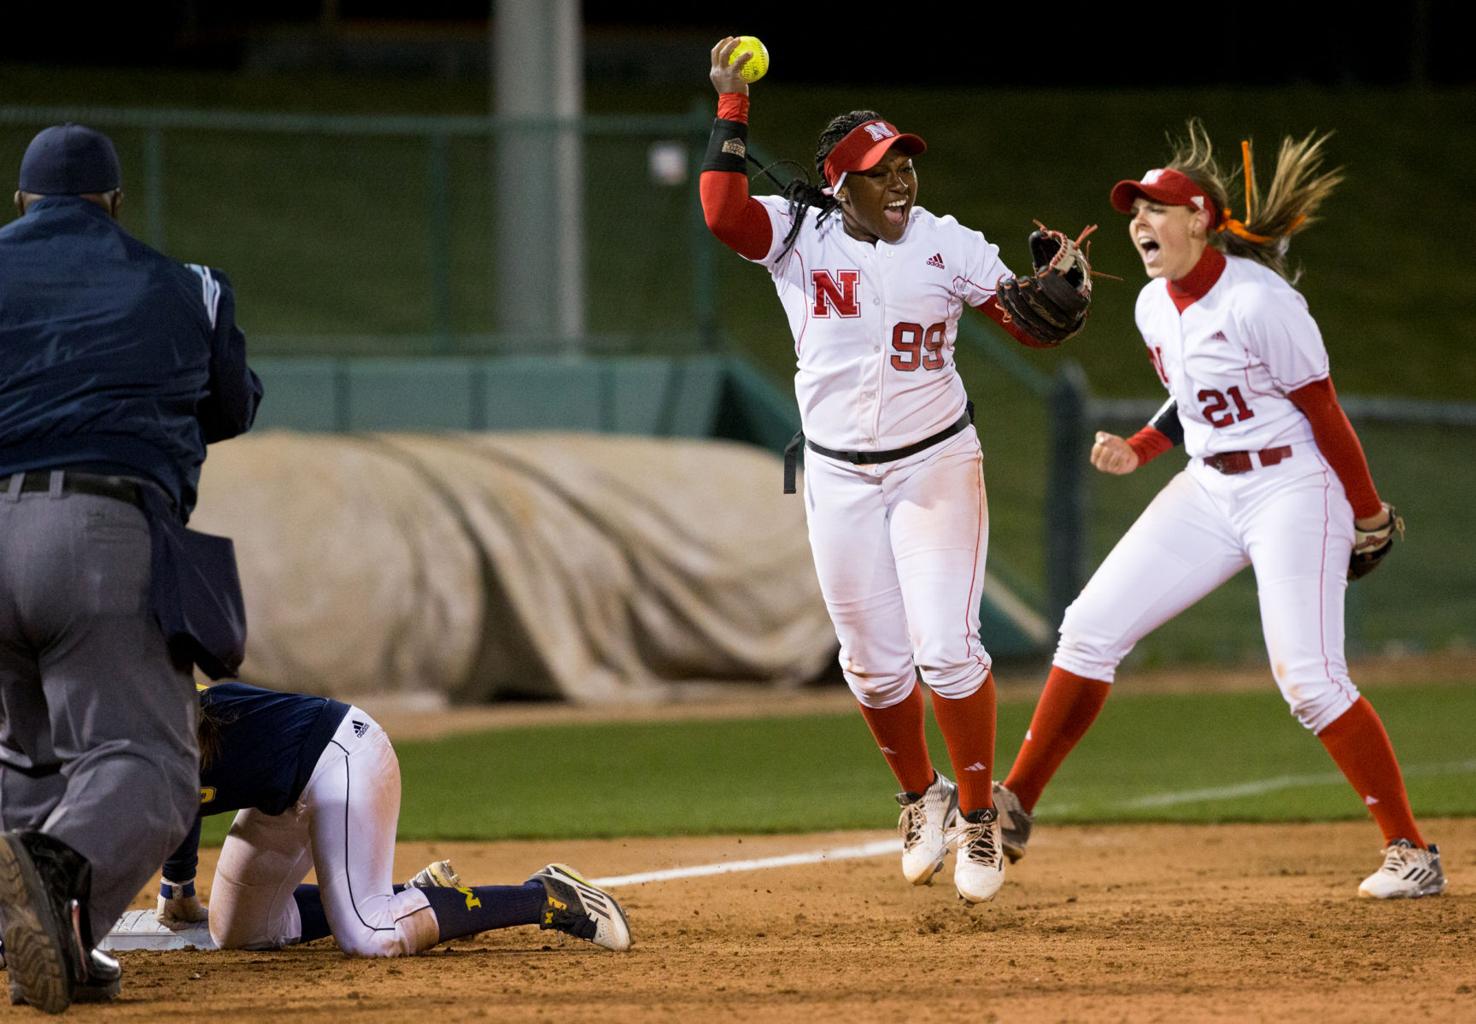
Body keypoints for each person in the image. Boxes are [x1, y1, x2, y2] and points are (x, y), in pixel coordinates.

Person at [992, 121, 1445, 899]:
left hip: (1293, 485)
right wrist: (1141, 446)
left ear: (1201, 218)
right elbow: (1192, 397)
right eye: (1133, 211)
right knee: (1090, 627)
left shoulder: (1261, 301)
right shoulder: (1149, 307)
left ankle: (1411, 850)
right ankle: (1011, 809)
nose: (1139, 222)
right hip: (1210, 486)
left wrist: (1367, 513)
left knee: (1309, 680)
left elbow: (1325, 413)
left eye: (1156, 209)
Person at [700, 38, 1087, 903]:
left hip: (934, 466)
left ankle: (981, 816)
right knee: (872, 666)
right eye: (879, 169)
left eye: (904, 161)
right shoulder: (799, 237)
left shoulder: (947, 245)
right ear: (842, 186)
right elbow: (724, 213)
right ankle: (922, 799)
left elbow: (1024, 319)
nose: (901, 179)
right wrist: (732, 105)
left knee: (946, 650)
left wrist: (1057, 293)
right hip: (836, 476)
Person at [0, 123, 263, 1012]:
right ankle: (54, 877)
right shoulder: (186, 286)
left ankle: (55, 940)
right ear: (115, 204)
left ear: (21, 204)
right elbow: (229, 405)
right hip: (99, 531)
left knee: (27, 758)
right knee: (150, 766)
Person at [151, 680, 632, 956]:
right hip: (281, 793)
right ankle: (416, 894)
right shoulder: (135, 722)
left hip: (342, 756)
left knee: (369, 935)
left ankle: (547, 897)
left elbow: (173, 772)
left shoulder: (150, 716)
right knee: (238, 932)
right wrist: (176, 889)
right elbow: (178, 794)